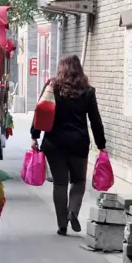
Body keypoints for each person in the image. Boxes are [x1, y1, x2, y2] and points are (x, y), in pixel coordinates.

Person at [30, 55, 107, 236]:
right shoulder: (87, 91)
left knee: (60, 183)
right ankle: (73, 211)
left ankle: (62, 223)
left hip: (54, 143)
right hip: (78, 143)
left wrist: (34, 136)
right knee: (78, 181)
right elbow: (95, 121)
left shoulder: (52, 86)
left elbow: (40, 111)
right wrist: (101, 144)